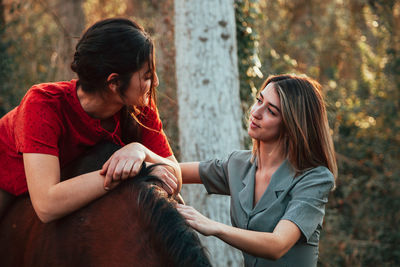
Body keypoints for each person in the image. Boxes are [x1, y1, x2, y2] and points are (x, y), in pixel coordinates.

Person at [0, 18, 181, 222]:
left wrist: (141, 151)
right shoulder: (43, 104)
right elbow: (47, 205)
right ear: (114, 82)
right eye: (147, 76)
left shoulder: (140, 107)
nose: (155, 82)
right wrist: (136, 171)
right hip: (7, 181)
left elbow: (174, 171)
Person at [177, 74, 337, 267]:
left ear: (291, 126)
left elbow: (277, 245)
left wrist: (213, 227)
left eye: (271, 111)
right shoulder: (238, 164)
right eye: (259, 101)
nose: (256, 112)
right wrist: (138, 150)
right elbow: (173, 170)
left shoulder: (314, 179)